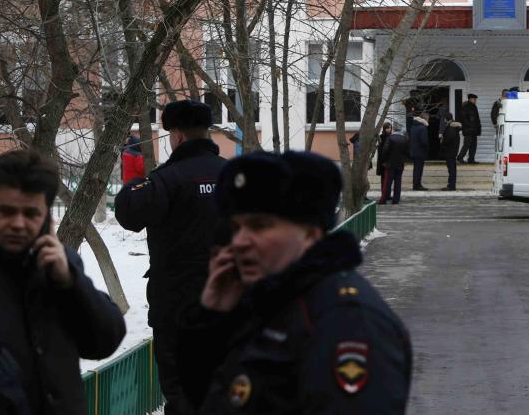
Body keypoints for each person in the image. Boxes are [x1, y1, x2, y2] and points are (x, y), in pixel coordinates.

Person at [176, 151, 412, 413]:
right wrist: (212, 319)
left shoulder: (346, 321)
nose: (240, 241)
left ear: (310, 233)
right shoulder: (266, 301)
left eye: (259, 226)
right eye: (237, 228)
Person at [114, 100, 227, 415]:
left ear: (176, 135)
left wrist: (136, 182)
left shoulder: (166, 179)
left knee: (182, 393)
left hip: (178, 308)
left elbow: (129, 214)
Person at [0, 150, 125, 415]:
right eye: (6, 212)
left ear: (47, 217)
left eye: (31, 213)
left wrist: (71, 282)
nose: (18, 224)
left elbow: (105, 341)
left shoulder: (60, 266)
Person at [380, 129, 409, 205]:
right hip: (400, 164)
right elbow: (407, 151)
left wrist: (384, 160)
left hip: (390, 163)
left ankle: (384, 199)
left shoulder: (390, 138)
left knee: (388, 182)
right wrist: (404, 160)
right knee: (398, 182)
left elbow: (385, 150)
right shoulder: (405, 139)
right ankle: (396, 199)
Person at [440, 111, 462, 191]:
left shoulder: (451, 128)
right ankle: (451, 185)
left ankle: (451, 186)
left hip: (450, 152)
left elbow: (449, 139)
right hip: (452, 151)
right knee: (452, 169)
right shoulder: (453, 127)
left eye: (444, 119)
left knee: (451, 170)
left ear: (446, 119)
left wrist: (443, 140)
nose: (443, 121)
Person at [457, 93, 481, 164]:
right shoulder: (465, 107)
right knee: (467, 145)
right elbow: (464, 119)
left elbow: (476, 119)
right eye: (474, 99)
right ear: (470, 99)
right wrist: (470, 126)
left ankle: (471, 159)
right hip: (468, 130)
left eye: (475, 99)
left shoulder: (474, 107)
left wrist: (478, 128)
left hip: (474, 130)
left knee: (473, 145)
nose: (475, 100)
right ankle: (460, 157)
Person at [410, 112, 430, 191]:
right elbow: (424, 141)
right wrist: (427, 148)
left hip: (414, 151)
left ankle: (416, 184)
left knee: (416, 169)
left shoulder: (413, 127)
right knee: (419, 169)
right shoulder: (422, 128)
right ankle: (417, 185)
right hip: (420, 151)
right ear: (425, 119)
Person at [375, 122, 393, 198]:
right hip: (385, 161)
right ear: (385, 128)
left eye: (390, 128)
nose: (390, 129)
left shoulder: (387, 137)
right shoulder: (384, 137)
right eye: (388, 128)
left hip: (385, 161)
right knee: (385, 179)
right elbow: (383, 150)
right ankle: (385, 194)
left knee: (386, 179)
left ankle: (386, 194)